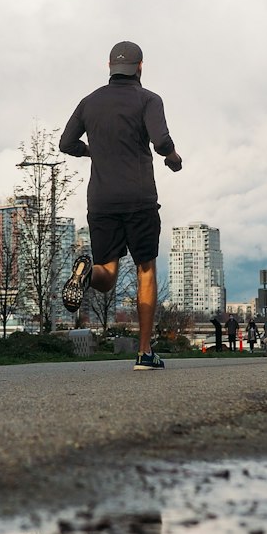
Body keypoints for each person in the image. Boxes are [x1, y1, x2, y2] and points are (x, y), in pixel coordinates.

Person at [59, 41, 182, 371]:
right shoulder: (148, 99)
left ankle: (85, 274)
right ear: (140, 67)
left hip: (101, 200)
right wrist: (172, 156)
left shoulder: (89, 102)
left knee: (107, 274)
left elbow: (65, 143)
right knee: (145, 269)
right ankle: (144, 353)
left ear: (109, 66)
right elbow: (161, 141)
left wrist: (92, 151)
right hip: (139, 199)